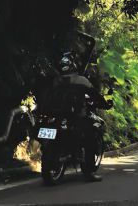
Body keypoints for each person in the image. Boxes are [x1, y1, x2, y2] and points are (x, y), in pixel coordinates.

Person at [36, 52, 109, 182]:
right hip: (75, 117)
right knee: (90, 138)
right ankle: (89, 172)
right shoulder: (81, 80)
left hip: (53, 117)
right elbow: (95, 95)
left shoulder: (54, 81)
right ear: (73, 65)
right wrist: (105, 104)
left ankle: (59, 154)